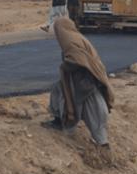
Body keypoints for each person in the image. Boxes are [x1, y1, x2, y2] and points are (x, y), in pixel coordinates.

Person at [46, 17, 113, 148]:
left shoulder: (71, 41)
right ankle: (59, 120)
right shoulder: (76, 37)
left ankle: (102, 143)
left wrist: (65, 67)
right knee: (58, 90)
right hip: (84, 77)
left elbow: (78, 60)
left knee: (88, 108)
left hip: (86, 80)